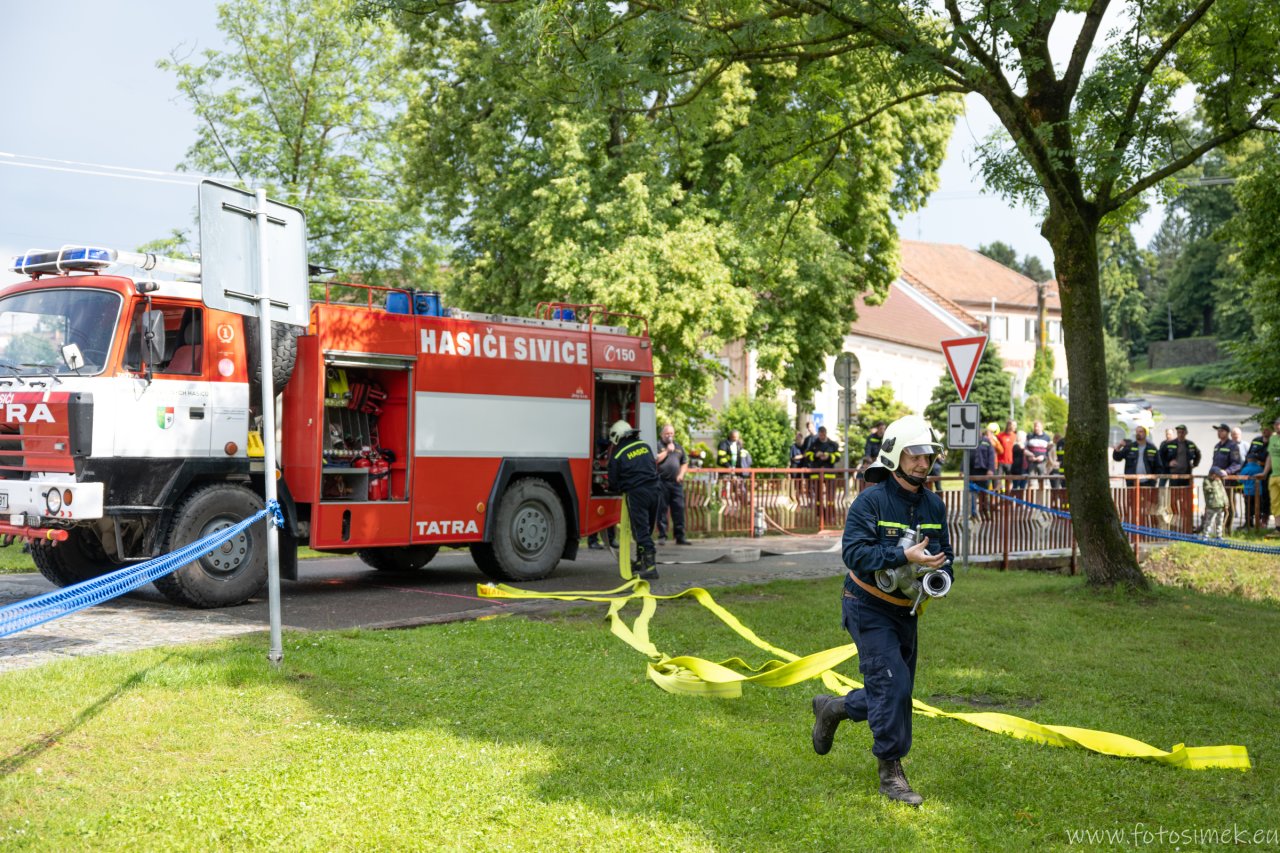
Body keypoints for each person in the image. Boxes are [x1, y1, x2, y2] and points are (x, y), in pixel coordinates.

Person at [809, 415, 952, 806]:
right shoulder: (870, 501)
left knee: (895, 690)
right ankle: (891, 774)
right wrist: (902, 556)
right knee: (894, 686)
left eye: (928, 455)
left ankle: (834, 708)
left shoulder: (934, 505)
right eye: (915, 454)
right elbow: (854, 554)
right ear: (894, 456)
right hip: (866, 605)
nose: (923, 463)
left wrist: (941, 576)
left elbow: (946, 554)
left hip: (907, 611)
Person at [607, 420, 661, 580]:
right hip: (655, 490)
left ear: (617, 436)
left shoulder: (618, 454)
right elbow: (653, 466)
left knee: (640, 530)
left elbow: (613, 483)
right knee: (647, 529)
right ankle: (641, 561)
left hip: (637, 493)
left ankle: (650, 567)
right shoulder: (645, 446)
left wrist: (619, 487)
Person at [654, 423, 690, 546]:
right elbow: (655, 460)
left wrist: (681, 474)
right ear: (661, 434)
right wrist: (667, 451)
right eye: (667, 433)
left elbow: (684, 462)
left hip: (676, 483)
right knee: (662, 510)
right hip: (661, 482)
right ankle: (662, 536)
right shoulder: (657, 445)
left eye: (671, 433)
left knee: (679, 509)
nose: (669, 436)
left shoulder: (679, 447)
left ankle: (680, 537)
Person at [1159, 424, 1200, 532]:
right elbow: (1160, 456)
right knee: (1173, 502)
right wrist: (1168, 463)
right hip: (1174, 477)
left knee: (1186, 502)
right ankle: (1174, 525)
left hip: (1186, 477)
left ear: (1186, 433)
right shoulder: (1169, 444)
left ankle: (1187, 525)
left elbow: (1198, 454)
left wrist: (1194, 464)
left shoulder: (1190, 444)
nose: (1180, 434)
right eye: (1179, 432)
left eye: (1182, 432)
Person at [1210, 423, 1243, 531]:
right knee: (1217, 504)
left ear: (1227, 432)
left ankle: (1228, 529)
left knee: (1228, 505)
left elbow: (1237, 464)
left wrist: (1227, 471)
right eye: (1218, 431)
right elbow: (1214, 463)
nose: (1219, 433)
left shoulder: (1233, 445)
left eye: (1221, 431)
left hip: (1228, 480)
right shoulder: (1217, 446)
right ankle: (1219, 529)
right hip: (1216, 480)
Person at [806, 425, 841, 525]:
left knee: (830, 497)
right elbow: (807, 456)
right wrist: (815, 455)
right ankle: (820, 516)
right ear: (818, 434)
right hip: (816, 475)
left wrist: (828, 457)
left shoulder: (832, 444)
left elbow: (838, 457)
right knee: (818, 497)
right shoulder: (814, 444)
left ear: (826, 433)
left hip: (830, 474)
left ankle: (830, 516)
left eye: (823, 434)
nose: (822, 436)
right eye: (820, 435)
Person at [1243, 422, 1273, 528]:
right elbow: (1248, 456)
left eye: (1267, 428)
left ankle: (1264, 520)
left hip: (1267, 474)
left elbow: (1268, 458)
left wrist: (1259, 458)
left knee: (1265, 497)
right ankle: (1249, 521)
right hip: (1253, 474)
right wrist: (1243, 470)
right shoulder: (1256, 440)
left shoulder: (1274, 442)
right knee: (1249, 497)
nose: (1264, 430)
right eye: (1263, 428)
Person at [967, 423, 999, 518]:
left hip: (984, 472)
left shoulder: (986, 441)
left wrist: (990, 469)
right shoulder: (970, 442)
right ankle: (973, 514)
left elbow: (991, 456)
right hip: (972, 472)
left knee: (984, 494)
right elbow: (966, 456)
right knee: (972, 493)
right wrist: (962, 470)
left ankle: (984, 512)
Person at [1202, 466, 1228, 539]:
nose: (1219, 477)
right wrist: (1214, 485)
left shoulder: (1219, 482)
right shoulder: (1207, 481)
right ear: (1213, 474)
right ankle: (1205, 535)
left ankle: (1219, 535)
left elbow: (1223, 492)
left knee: (1220, 521)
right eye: (1217, 475)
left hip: (1220, 505)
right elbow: (1208, 489)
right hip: (1212, 505)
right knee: (1209, 521)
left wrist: (1226, 502)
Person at [1264, 416, 1280, 533]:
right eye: (1275, 424)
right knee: (1275, 502)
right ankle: (1278, 528)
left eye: (1278, 424)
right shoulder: (1273, 438)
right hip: (1274, 475)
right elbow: (1270, 457)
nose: (1276, 426)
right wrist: (1265, 472)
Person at [1024, 420, 1053, 487]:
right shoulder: (1029, 436)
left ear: (1042, 427)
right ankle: (1030, 494)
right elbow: (1025, 448)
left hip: (1042, 462)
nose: (1036, 428)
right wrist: (1029, 455)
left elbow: (1049, 451)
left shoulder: (1047, 437)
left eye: (1038, 426)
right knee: (1030, 482)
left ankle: (1041, 493)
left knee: (1041, 481)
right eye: (1035, 426)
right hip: (1031, 462)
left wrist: (1043, 457)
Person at [996, 418, 1016, 488]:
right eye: (1013, 425)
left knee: (1009, 481)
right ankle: (997, 494)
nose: (1015, 427)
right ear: (1009, 425)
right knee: (998, 480)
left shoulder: (1015, 436)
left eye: (1015, 425)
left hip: (1010, 462)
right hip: (1000, 461)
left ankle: (1008, 494)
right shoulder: (1000, 436)